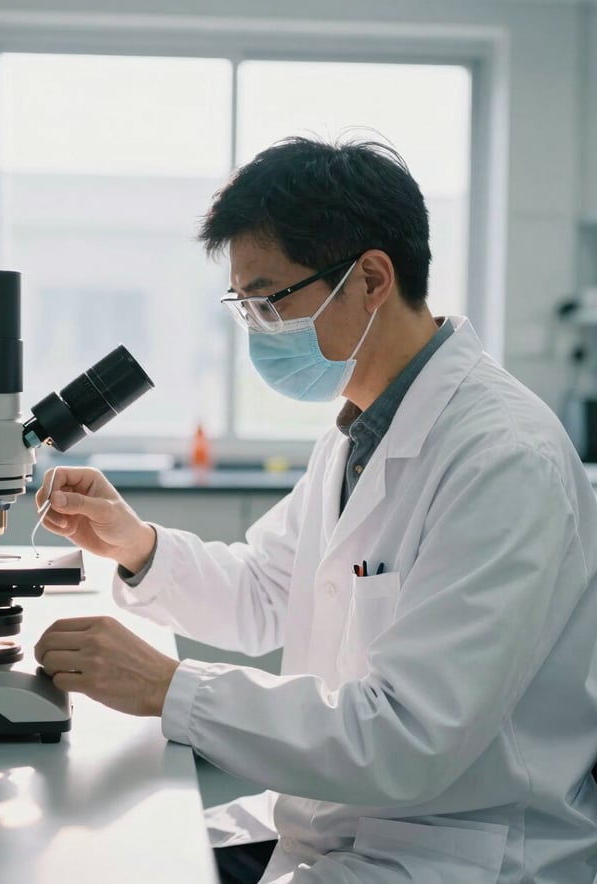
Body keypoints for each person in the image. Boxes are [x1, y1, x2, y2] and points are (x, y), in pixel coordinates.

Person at [33, 136, 597, 884]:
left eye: (271, 300)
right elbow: (268, 592)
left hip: (462, 849)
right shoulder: (361, 429)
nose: (258, 328)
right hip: (341, 822)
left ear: (371, 279)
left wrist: (169, 689)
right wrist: (135, 544)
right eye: (244, 305)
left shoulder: (503, 458)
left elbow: (409, 738)